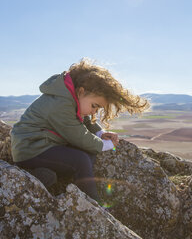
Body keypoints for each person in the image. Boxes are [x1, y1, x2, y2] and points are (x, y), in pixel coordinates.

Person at [10, 58, 149, 204]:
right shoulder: (60, 104)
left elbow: (85, 120)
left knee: (87, 153)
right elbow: (78, 134)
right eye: (94, 106)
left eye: (98, 108)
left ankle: (44, 174)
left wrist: (101, 134)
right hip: (30, 149)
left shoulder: (70, 96)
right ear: (81, 91)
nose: (94, 111)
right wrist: (105, 145)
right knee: (80, 160)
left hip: (47, 144)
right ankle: (92, 204)